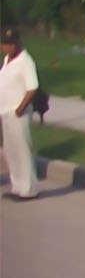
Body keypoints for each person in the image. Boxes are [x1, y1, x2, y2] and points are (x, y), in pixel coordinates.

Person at [1, 28, 42, 200]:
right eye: (5, 44)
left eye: (11, 44)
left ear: (18, 43)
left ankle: (29, 189)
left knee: (22, 150)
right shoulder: (6, 60)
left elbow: (32, 87)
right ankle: (17, 186)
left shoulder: (26, 61)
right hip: (5, 112)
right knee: (11, 151)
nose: (8, 47)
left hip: (18, 113)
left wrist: (20, 108)